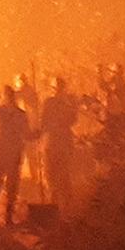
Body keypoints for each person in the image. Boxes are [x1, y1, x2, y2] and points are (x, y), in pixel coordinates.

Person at [0, 84, 33, 227]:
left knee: (7, 186)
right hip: (6, 154)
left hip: (9, 154)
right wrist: (36, 134)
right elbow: (28, 135)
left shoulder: (2, 112)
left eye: (9, 96)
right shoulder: (11, 113)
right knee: (2, 185)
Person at [40, 76, 80, 216]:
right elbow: (72, 120)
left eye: (58, 89)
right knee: (58, 178)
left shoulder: (53, 103)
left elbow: (44, 123)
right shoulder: (63, 103)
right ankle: (62, 211)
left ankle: (61, 211)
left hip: (56, 145)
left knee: (57, 178)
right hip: (56, 144)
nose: (57, 91)